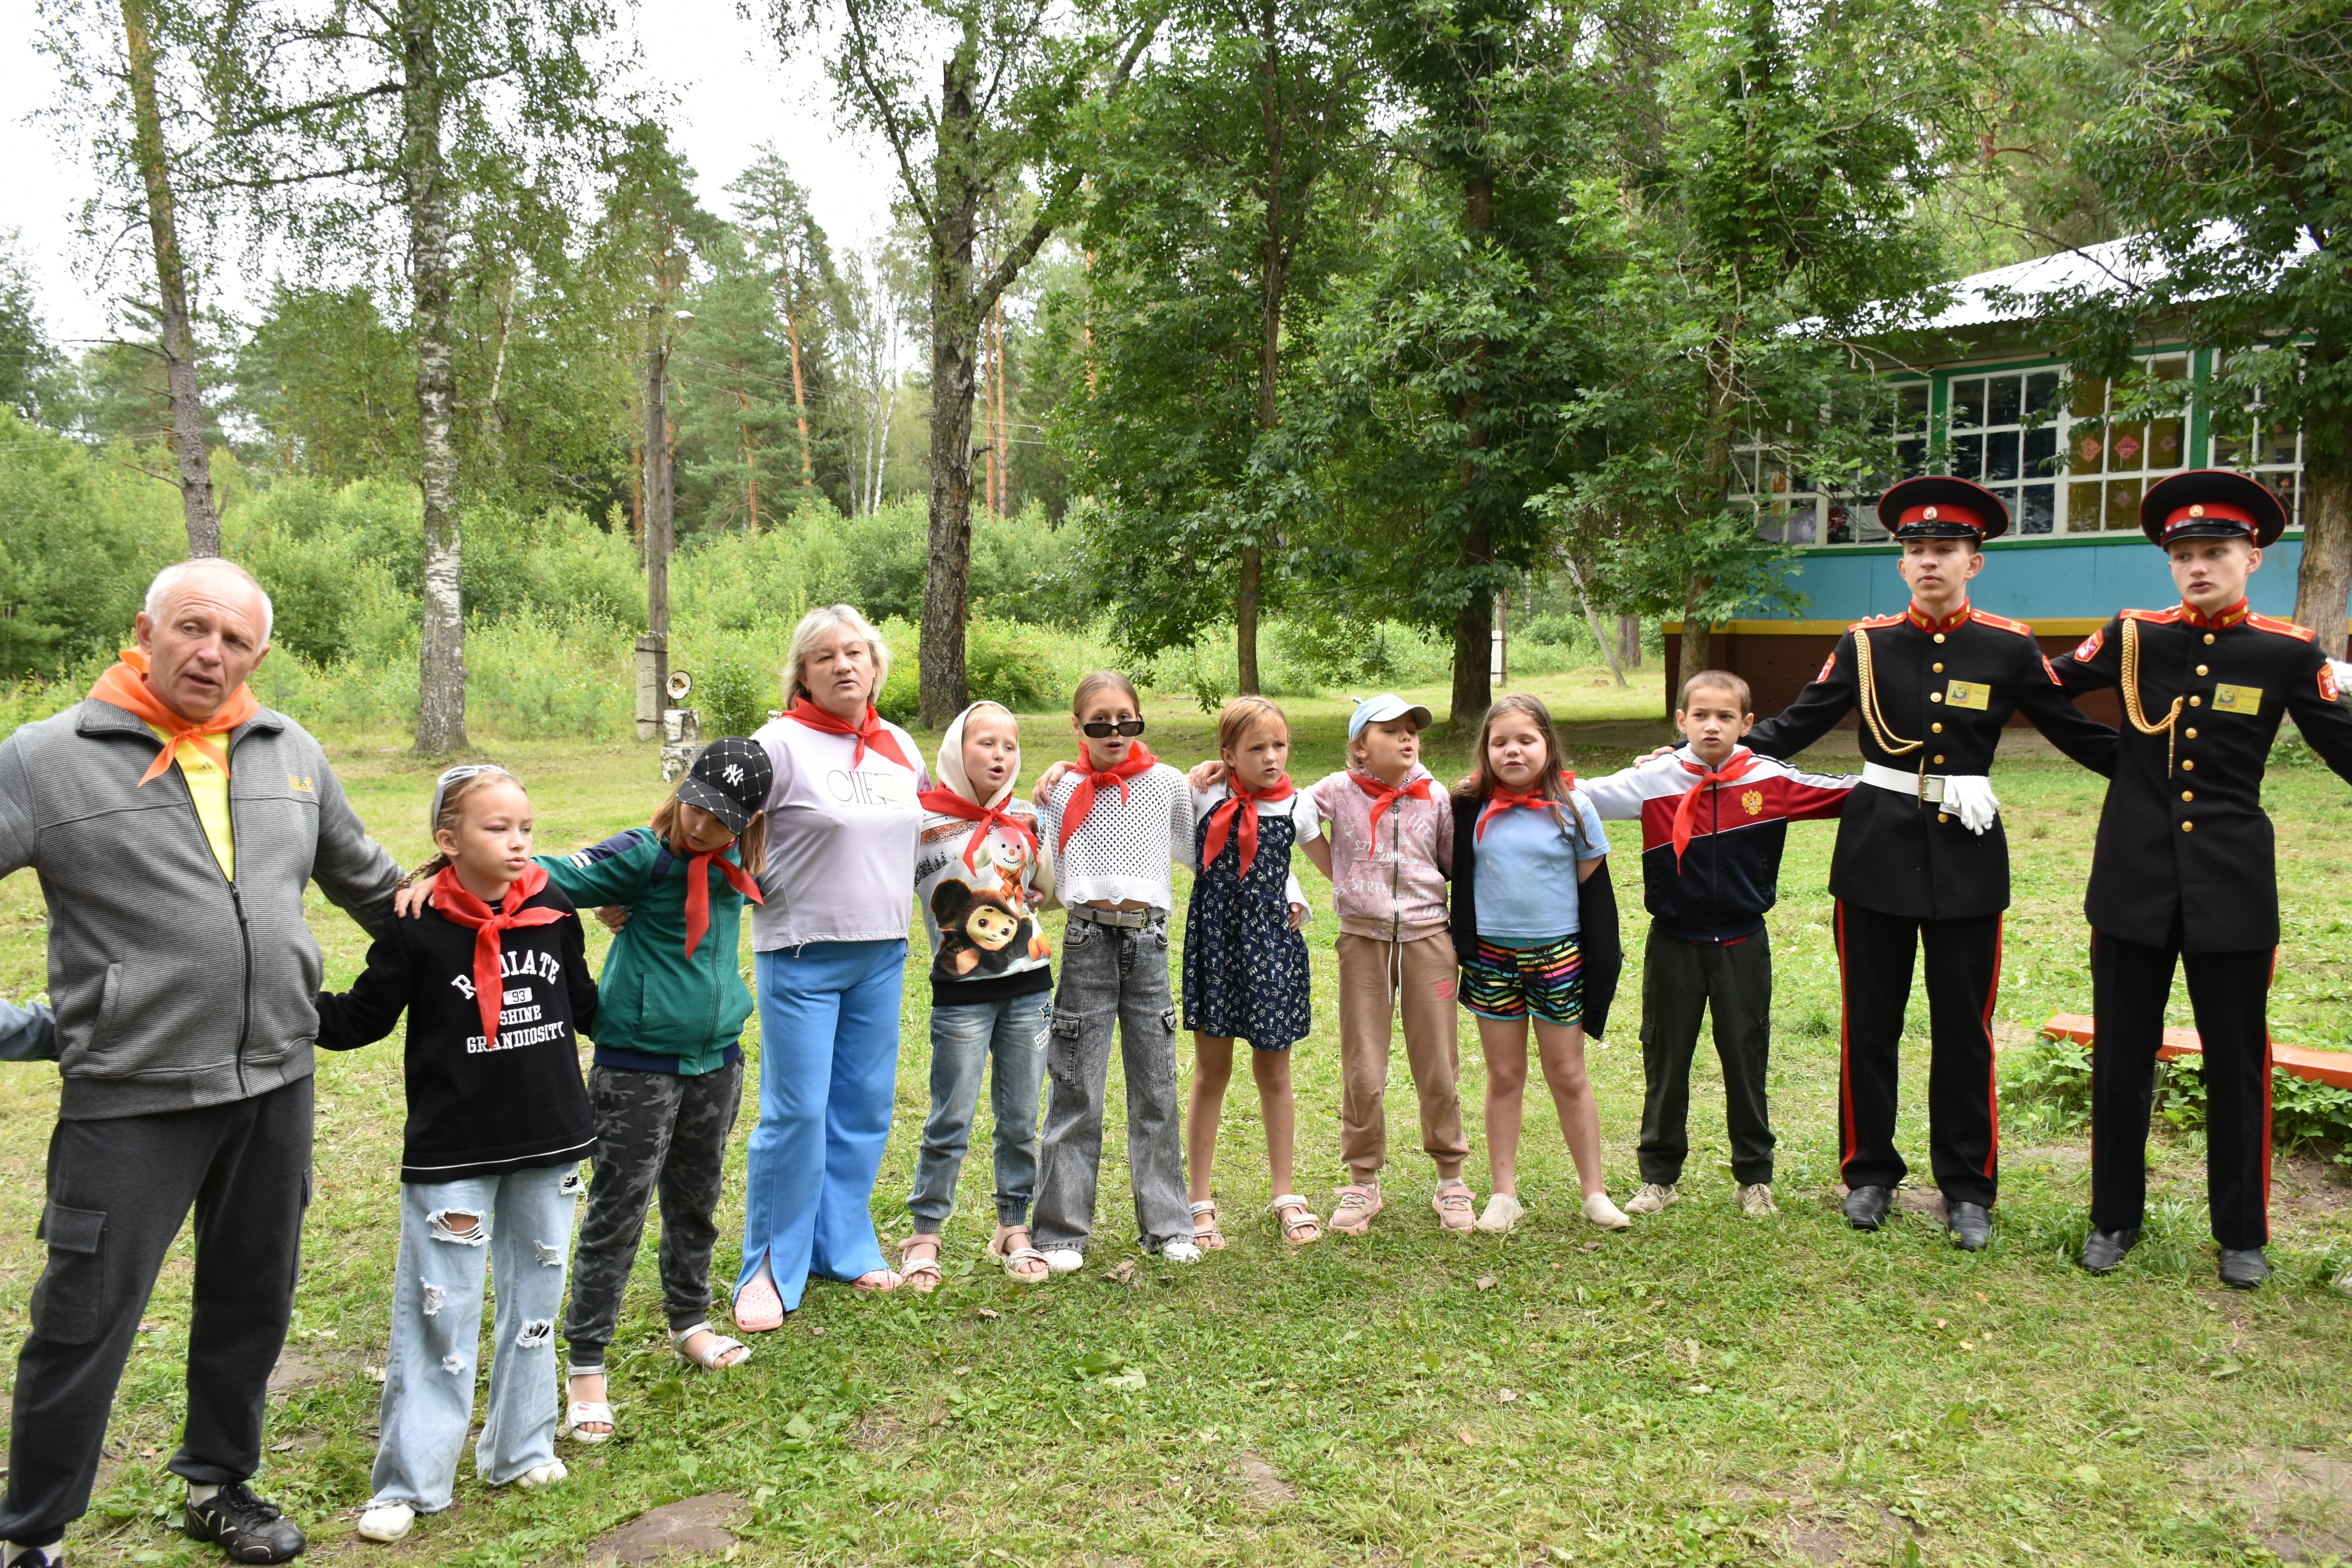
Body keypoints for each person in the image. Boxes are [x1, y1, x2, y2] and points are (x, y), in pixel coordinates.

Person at [0, 558, 403, 1568]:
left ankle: (219, 1482)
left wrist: (518, 897)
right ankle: (34, 1530)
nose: (210, 652)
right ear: (146, 628)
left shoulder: (289, 749)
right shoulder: (46, 759)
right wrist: (35, 1026)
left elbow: (378, 887)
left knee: (252, 1294)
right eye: (192, 628)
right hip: (131, 1094)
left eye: (235, 639)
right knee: (83, 1316)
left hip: (276, 1077)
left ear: (258, 654)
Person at [1740, 476, 2116, 1250]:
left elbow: (2076, 731)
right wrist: (1703, 757)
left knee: (1964, 1030)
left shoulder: (2009, 646)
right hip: (1876, 850)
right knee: (1869, 1023)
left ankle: (1967, 1187)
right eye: (1916, 550)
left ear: (1974, 561)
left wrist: (2173, 769)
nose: (1929, 562)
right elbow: (1797, 726)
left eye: (1945, 550)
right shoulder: (1866, 643)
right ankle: (1869, 1172)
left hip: (1969, 858)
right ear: (1903, 563)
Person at [2048, 469, 2352, 1289]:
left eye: (2215, 551)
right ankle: (2114, 1217)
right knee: (2120, 1056)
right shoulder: (2132, 633)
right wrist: (2114, 761)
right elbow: (2041, 690)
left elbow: (2343, 745)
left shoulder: (2287, 651)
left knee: (2237, 1059)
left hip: (2232, 883)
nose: (2197, 566)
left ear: (2253, 558)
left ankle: (2241, 1234)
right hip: (2131, 880)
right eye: (2184, 553)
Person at [317, 766, 598, 1545]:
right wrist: (282, 994)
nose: (517, 842)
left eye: (526, 828)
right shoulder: (416, 926)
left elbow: (585, 1006)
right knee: (439, 1313)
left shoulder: (554, 912)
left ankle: (522, 1446)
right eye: (496, 828)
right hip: (455, 1153)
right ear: (448, 842)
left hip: (550, 1139)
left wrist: (662, 1005)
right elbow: (359, 1019)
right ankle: (412, 1479)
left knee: (535, 1308)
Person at [530, 739, 771, 1434]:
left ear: (750, 822)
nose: (701, 824)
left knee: (696, 1201)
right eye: (695, 803)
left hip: (716, 1061)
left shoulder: (738, 865)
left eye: (721, 817)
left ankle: (689, 1321)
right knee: (619, 1211)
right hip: (637, 1067)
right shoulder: (644, 853)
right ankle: (586, 1366)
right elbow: (550, 879)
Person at [1581, 671, 1856, 1219]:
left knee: (1746, 1058)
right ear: (1681, 721)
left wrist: (1937, 776)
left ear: (1747, 724)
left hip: (1743, 944)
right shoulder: (1652, 779)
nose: (1712, 726)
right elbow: (1578, 795)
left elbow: (1851, 792)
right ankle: (1658, 1176)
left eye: (1726, 716)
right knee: (1666, 1058)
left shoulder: (1771, 779)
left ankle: (1754, 1178)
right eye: (1700, 715)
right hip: (1673, 944)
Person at [736, 606, 931, 1326]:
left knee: (862, 1110)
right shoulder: (777, 745)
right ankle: (768, 1267)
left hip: (882, 951)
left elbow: (936, 825)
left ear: (876, 665)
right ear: (804, 676)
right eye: (826, 658)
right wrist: (631, 892)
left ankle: (842, 1246)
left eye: (856, 653)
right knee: (794, 1114)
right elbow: (703, 822)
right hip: (800, 952)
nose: (844, 665)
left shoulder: (899, 746)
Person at [1028, 672, 1204, 1271]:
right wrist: (1046, 782)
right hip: (1086, 941)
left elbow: (1195, 842)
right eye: (1099, 723)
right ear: (1078, 727)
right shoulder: (1060, 789)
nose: (1114, 732)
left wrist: (1214, 776)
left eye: (1126, 720)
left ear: (1139, 720)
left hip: (1149, 943)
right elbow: (1031, 857)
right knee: (1076, 1086)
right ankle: (1060, 1231)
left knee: (1155, 1086)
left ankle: (1169, 1224)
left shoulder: (1167, 785)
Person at [1448, 694, 1628, 1233]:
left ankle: (1594, 1192)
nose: (1513, 751)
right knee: (1504, 1075)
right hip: (1491, 960)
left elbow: (1590, 875)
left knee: (1568, 1073)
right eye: (1500, 742)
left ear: (1548, 746)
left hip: (1557, 958)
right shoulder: (1468, 806)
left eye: (1526, 740)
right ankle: (1504, 1193)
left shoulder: (1574, 806)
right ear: (1486, 750)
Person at [1306, 695, 1474, 1236]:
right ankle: (1362, 1182)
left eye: (1412, 732)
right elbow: (1291, 814)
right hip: (1363, 943)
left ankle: (1451, 1180)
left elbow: (1450, 864)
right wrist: (1338, 872)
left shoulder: (1435, 795)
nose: (1408, 739)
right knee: (1364, 1067)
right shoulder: (1337, 789)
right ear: (1360, 747)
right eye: (1392, 731)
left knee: (1439, 1066)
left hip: (1429, 940)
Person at [905, 702, 1058, 1289]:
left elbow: (1047, 888)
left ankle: (1012, 1226)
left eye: (1010, 746)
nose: (1000, 755)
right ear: (954, 750)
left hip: (1030, 988)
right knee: (952, 1115)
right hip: (961, 996)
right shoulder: (920, 822)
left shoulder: (1025, 816)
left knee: (1020, 1117)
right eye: (985, 743)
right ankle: (926, 1233)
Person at [1180, 698, 1319, 1250]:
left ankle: (1285, 1193)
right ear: (1227, 755)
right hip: (1217, 945)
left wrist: (1299, 899)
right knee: (1211, 1073)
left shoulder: (1300, 805)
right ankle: (1198, 1199)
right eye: (1256, 748)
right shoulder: (1202, 793)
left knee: (1276, 1073)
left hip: (1271, 948)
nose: (1271, 757)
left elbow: (1337, 864)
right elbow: (1135, 780)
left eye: (1279, 745)